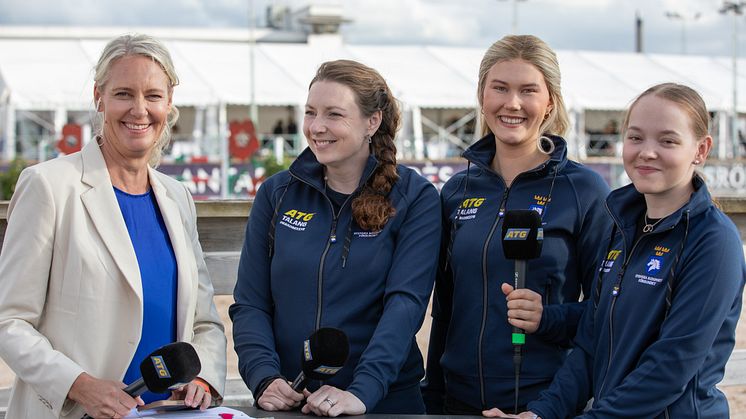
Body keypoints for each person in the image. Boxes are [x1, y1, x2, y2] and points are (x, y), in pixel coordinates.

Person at [0, 34, 226, 419]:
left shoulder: (177, 198)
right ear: (99, 97)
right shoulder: (50, 186)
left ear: (168, 103)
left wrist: (203, 378)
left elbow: (205, 322)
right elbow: (9, 321)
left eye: (153, 96)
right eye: (124, 93)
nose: (139, 110)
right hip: (75, 413)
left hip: (166, 413)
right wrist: (79, 385)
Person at [491, 83, 746, 418]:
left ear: (701, 149)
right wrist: (541, 413)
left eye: (667, 141)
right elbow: (590, 342)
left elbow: (669, 369)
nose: (647, 152)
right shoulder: (622, 227)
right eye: (636, 137)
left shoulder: (713, 241)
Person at [230, 59, 441, 416]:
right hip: (290, 401)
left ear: (371, 122)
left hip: (382, 402)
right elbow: (250, 302)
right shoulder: (278, 193)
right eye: (310, 112)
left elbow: (405, 306)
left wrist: (362, 392)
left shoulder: (414, 198)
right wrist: (264, 377)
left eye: (334, 114)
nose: (316, 127)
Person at [421, 34, 611, 415]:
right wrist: (434, 394)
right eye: (500, 89)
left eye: (528, 90)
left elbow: (608, 312)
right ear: (482, 96)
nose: (513, 103)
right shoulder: (458, 190)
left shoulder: (584, 190)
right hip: (458, 400)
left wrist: (548, 317)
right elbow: (445, 307)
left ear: (550, 102)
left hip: (544, 401)